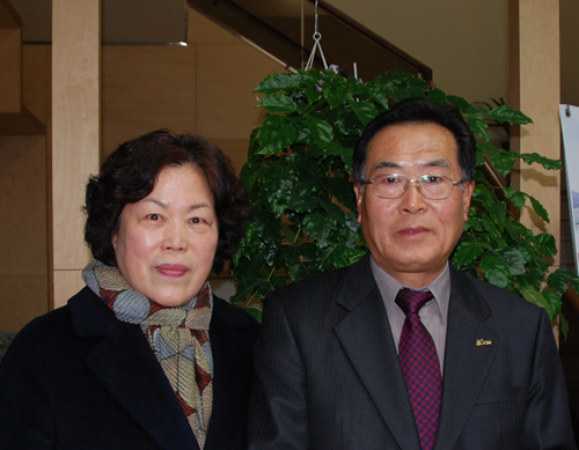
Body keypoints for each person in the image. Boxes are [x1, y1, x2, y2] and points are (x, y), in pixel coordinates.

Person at [248, 98, 576, 449]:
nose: (413, 202)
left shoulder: (521, 329)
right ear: (360, 199)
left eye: (433, 179)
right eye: (390, 180)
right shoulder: (297, 321)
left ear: (466, 198)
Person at [0, 130, 259, 449]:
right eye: (154, 216)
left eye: (196, 220)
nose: (176, 241)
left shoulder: (251, 342)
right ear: (113, 230)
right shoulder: (43, 350)